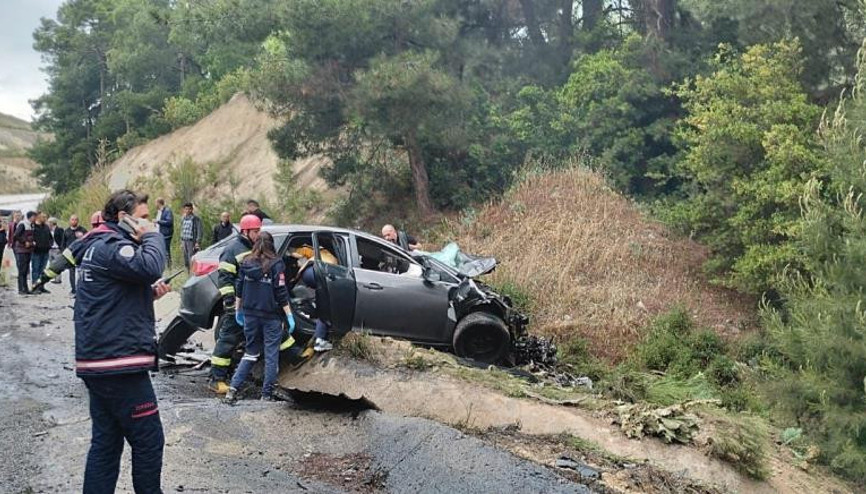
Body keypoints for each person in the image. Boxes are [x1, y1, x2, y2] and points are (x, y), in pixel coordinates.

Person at [73, 189, 169, 493]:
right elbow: (151, 266)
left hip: (100, 362)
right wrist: (153, 236)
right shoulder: (114, 245)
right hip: (118, 366)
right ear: (122, 218)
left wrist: (148, 293)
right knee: (149, 440)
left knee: (106, 442)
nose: (148, 223)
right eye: (142, 218)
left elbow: (110, 297)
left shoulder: (98, 244)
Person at [208, 214, 293, 394]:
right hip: (238, 305)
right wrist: (231, 302)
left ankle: (296, 356)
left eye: (259, 231)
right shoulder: (233, 250)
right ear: (245, 231)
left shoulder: (253, 249)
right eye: (255, 231)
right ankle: (216, 379)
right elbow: (226, 278)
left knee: (276, 335)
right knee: (228, 338)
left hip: (252, 305)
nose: (258, 234)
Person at [224, 232, 295, 403]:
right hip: (271, 317)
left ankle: (232, 390)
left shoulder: (246, 262)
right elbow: (280, 292)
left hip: (250, 315)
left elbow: (239, 287)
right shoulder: (277, 264)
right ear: (271, 245)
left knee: (251, 352)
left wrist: (238, 310)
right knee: (271, 355)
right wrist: (290, 315)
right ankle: (266, 394)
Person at [291, 245, 338, 352]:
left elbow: (297, 253)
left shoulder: (320, 251)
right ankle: (320, 339)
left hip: (308, 272)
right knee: (327, 304)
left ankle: (320, 337)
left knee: (322, 299)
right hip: (316, 272)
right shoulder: (334, 258)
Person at [63, 215, 88, 295]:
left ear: (78, 221)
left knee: (81, 272)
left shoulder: (83, 230)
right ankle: (73, 289)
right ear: (70, 221)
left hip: (80, 254)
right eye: (72, 220)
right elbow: (63, 243)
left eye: (76, 220)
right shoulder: (66, 231)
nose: (74, 221)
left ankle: (81, 289)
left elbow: (88, 240)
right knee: (71, 273)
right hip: (70, 255)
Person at [13, 211, 36, 295]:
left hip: (28, 250)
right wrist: (24, 242)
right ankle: (20, 289)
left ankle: (25, 289)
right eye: (34, 217)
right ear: (31, 217)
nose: (35, 219)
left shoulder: (31, 225)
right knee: (22, 270)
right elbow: (16, 235)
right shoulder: (22, 224)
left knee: (26, 270)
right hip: (21, 250)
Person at [31, 212, 52, 291]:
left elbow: (50, 237)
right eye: (43, 217)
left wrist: (49, 245)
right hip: (36, 251)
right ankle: (35, 287)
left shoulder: (46, 227)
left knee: (43, 270)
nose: (45, 218)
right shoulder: (33, 227)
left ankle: (41, 286)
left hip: (45, 251)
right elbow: (30, 238)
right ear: (38, 217)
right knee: (36, 270)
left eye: (45, 217)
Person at [179, 202, 202, 271]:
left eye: (189, 209)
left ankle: (193, 272)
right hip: (184, 240)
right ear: (184, 210)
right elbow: (182, 229)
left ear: (192, 209)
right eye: (186, 209)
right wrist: (181, 241)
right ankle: (188, 272)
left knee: (191, 257)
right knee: (185, 258)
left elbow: (199, 230)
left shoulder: (196, 219)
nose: (188, 211)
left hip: (191, 241)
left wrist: (197, 241)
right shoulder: (183, 218)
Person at [155, 198, 174, 268]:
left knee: (166, 251)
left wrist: (158, 221)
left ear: (159, 203)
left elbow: (169, 222)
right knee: (163, 251)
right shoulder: (159, 211)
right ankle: (165, 266)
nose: (155, 205)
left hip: (166, 235)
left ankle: (169, 267)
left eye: (156, 203)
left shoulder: (167, 211)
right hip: (161, 234)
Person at [47, 217, 64, 284]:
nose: (48, 224)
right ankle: (54, 277)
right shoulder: (48, 230)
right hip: (50, 249)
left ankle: (58, 279)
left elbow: (62, 239)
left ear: (52, 223)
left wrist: (61, 248)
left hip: (57, 249)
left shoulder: (59, 230)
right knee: (52, 264)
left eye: (49, 222)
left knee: (58, 265)